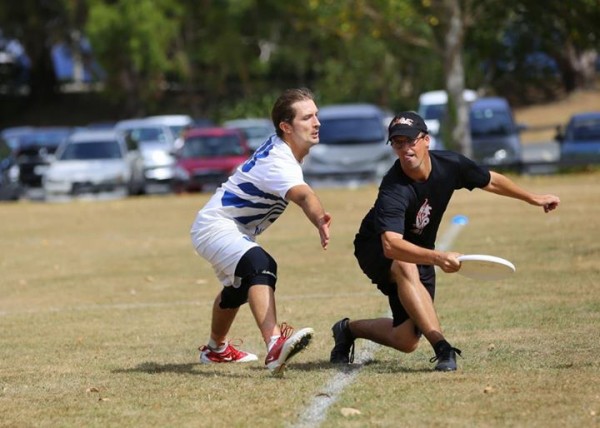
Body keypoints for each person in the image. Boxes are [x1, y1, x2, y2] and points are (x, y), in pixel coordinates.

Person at [329, 111, 560, 371]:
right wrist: (439, 258)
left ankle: (347, 329)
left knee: (405, 340)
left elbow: (490, 180)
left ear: (426, 140)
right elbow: (391, 245)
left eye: (410, 140)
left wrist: (533, 197)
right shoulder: (393, 189)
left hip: (420, 249)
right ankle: (442, 347)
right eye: (398, 143)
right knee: (404, 264)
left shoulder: (450, 165)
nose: (405, 148)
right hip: (376, 248)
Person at [191, 88, 331, 377]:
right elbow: (304, 196)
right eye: (307, 117)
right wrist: (319, 219)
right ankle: (275, 346)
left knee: (240, 287)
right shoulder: (279, 160)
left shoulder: (288, 150)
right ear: (286, 127)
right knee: (261, 265)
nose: (316, 122)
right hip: (216, 224)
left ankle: (215, 349)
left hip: (229, 226)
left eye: (316, 115)